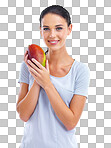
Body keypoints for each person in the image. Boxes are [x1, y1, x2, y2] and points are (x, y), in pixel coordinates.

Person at [17, 5, 90, 148]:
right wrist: (38, 78)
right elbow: (24, 115)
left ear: (69, 29)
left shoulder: (80, 71)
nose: (52, 35)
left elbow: (71, 122)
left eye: (58, 28)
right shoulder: (28, 65)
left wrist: (47, 83)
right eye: (46, 28)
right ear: (40, 30)